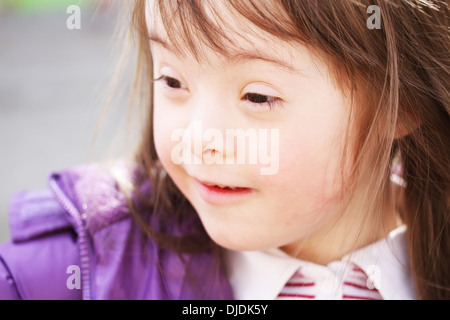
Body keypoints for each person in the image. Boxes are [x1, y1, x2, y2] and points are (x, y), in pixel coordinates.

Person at [0, 0, 448, 300]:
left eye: (257, 97)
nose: (197, 139)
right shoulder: (63, 276)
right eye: (173, 81)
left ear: (402, 101)